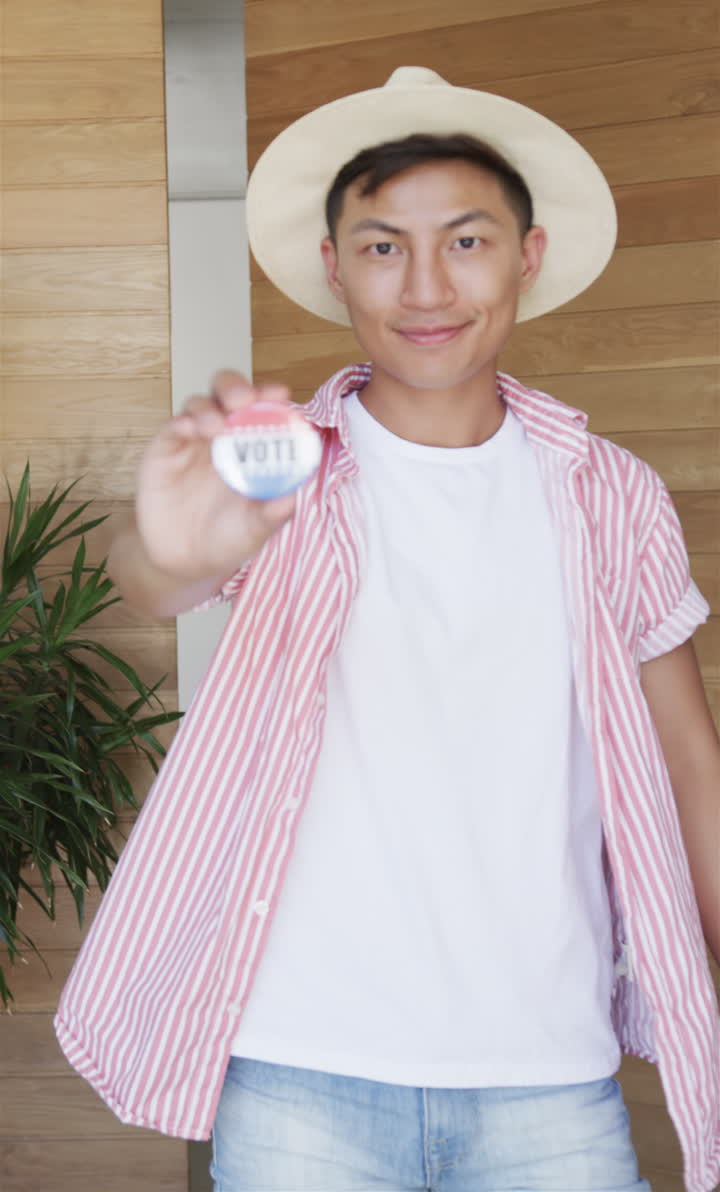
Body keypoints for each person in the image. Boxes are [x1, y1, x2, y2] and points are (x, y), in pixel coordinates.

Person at [55, 68, 720, 1192]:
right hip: (299, 1072)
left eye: (466, 241)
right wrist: (173, 551)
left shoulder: (611, 492)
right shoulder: (282, 467)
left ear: (527, 255)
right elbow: (154, 581)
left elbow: (689, 757)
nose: (425, 286)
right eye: (380, 246)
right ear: (333, 266)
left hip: (548, 1077)